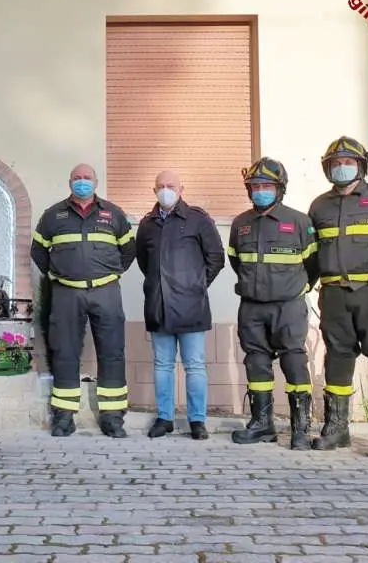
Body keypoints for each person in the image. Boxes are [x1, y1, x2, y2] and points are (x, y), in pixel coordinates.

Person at [308, 137, 368, 457]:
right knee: (337, 358)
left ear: (361, 166)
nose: (341, 168)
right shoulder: (319, 206)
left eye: (348, 163)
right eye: (335, 164)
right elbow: (312, 253)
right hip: (334, 294)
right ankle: (337, 429)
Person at [31, 163, 136, 438]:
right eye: (77, 178)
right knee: (65, 352)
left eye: (86, 178)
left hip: (106, 291)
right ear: (69, 182)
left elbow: (128, 251)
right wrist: (59, 274)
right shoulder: (53, 215)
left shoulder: (113, 214)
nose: (82, 182)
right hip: (67, 292)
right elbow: (39, 252)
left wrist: (109, 273)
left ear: (96, 182)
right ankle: (64, 417)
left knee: (112, 352)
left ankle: (112, 417)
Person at [227, 157, 319, 450]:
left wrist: (300, 288)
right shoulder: (240, 224)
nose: (260, 190)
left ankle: (301, 429)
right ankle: (261, 424)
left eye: (266, 185)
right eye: (255, 186)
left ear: (280, 189)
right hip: (252, 307)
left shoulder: (300, 221)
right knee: (256, 362)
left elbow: (314, 263)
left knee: (294, 362)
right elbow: (235, 261)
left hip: (288, 307)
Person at [135, 170, 225, 440]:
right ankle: (165, 418)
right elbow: (144, 262)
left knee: (194, 365)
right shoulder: (147, 224)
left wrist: (196, 285)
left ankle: (197, 421)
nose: (166, 189)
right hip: (158, 305)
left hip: (191, 306)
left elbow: (216, 258)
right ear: (154, 190)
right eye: (160, 186)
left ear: (181, 188)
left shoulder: (198, 219)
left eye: (170, 185)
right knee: (162, 364)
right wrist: (160, 286)